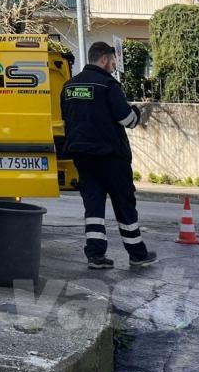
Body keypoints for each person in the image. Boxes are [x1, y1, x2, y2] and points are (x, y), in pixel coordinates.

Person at [61, 41, 156, 270]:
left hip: (82, 156)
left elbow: (66, 118)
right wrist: (138, 111)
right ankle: (137, 254)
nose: (114, 66)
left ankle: (95, 255)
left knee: (93, 206)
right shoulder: (107, 85)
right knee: (124, 203)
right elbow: (127, 120)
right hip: (111, 156)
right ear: (103, 59)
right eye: (113, 61)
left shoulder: (69, 87)